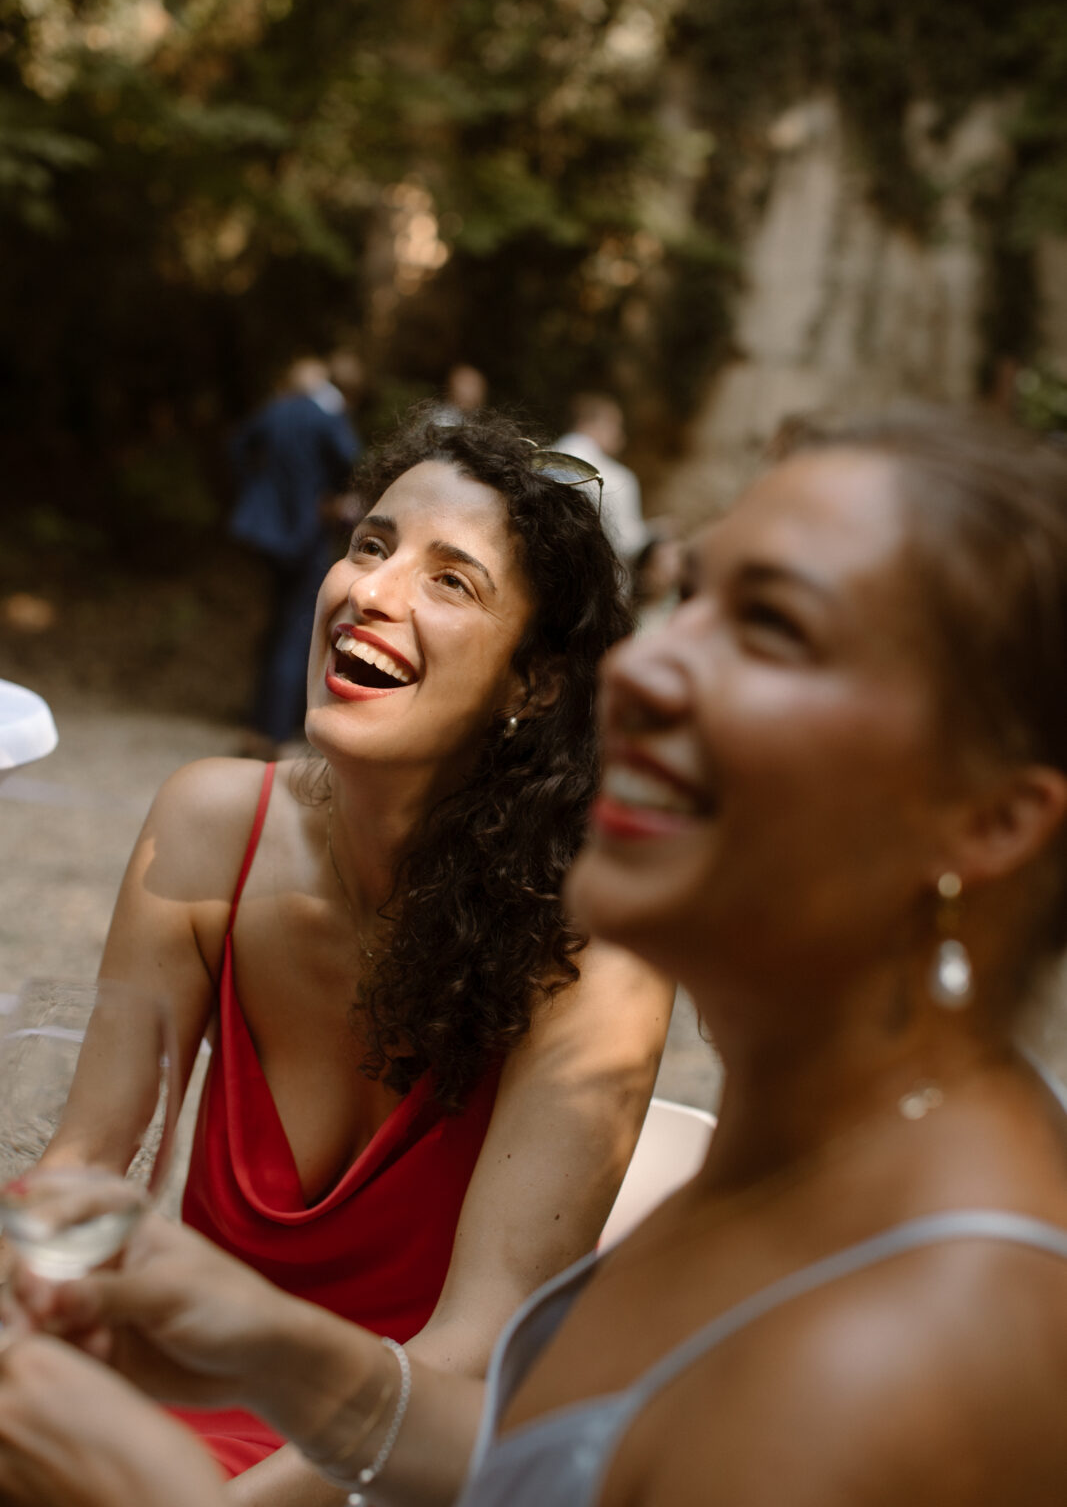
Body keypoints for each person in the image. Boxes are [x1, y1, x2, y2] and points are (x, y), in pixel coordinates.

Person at [7, 409, 1067, 1506]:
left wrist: (154, 1494)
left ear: (986, 820)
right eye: (686, 599)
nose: (644, 666)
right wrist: (273, 1345)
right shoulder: (796, 1158)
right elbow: (550, 1456)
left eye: (772, 629)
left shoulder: (936, 1328)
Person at [21, 410, 671, 1502]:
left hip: (391, 1460)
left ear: (534, 684)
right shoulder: (206, 823)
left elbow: (473, 1351)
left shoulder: (597, 950)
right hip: (167, 1390)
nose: (370, 590)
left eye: (450, 580)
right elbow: (81, 1163)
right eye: (370, 543)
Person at [227, 355, 364, 758]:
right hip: (304, 535)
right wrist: (333, 503)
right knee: (296, 629)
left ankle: (259, 723)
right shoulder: (329, 416)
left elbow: (238, 445)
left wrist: (255, 491)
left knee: (277, 625)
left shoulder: (280, 407)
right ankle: (271, 732)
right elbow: (353, 464)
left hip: (265, 534)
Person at [554, 393, 648, 566]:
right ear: (587, 424)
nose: (621, 436)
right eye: (616, 426)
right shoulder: (620, 477)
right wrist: (656, 535)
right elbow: (626, 542)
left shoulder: (542, 459)